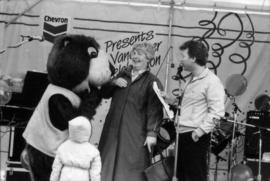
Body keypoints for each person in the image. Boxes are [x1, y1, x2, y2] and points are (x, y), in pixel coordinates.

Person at [98, 42, 164, 181]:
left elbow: (155, 110)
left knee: (131, 169)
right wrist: (113, 83)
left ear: (148, 58)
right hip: (112, 131)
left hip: (134, 133)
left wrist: (152, 133)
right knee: (106, 166)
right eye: (133, 53)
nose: (135, 56)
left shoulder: (153, 82)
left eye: (139, 54)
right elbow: (104, 93)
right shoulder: (122, 74)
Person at [165, 40, 225, 181]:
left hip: (194, 136)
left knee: (194, 176)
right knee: (182, 176)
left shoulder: (212, 81)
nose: (181, 60)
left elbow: (217, 112)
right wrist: (169, 99)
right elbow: (189, 104)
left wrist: (198, 133)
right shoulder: (191, 79)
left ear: (193, 58)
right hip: (182, 134)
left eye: (183, 56)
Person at [50, 116, 101, 181]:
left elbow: (56, 170)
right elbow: (95, 174)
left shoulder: (63, 147)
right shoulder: (93, 151)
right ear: (88, 130)